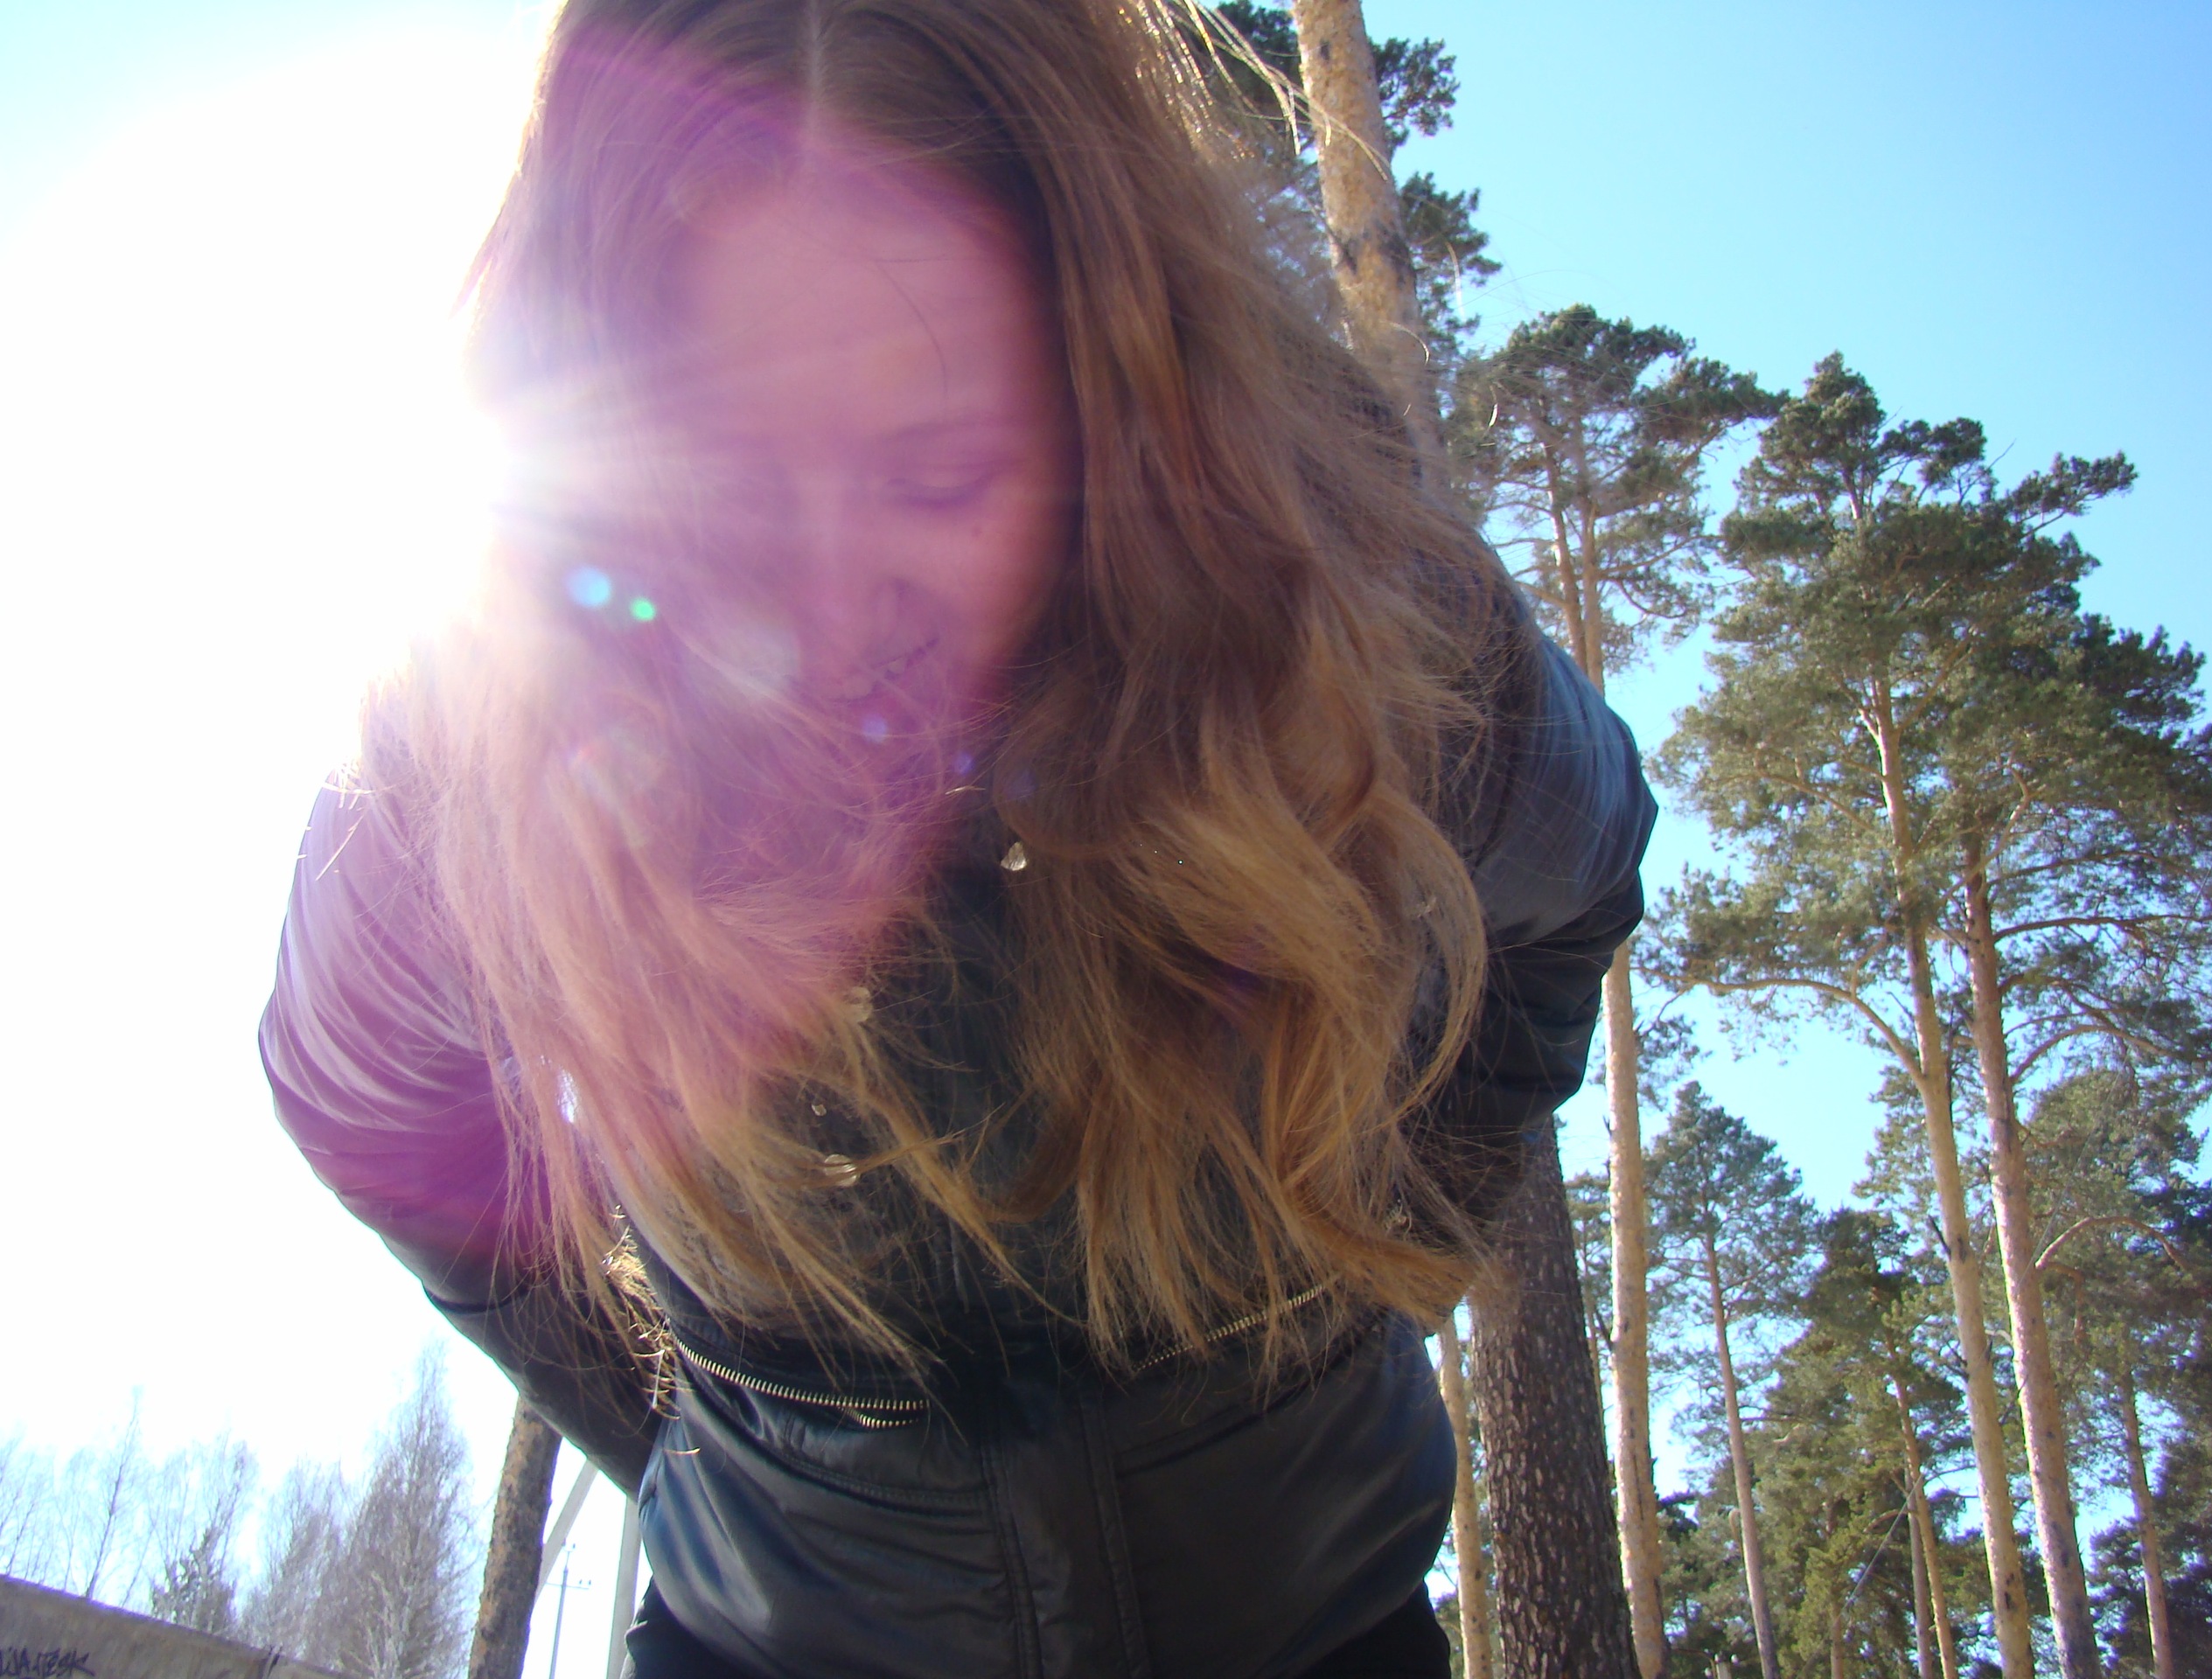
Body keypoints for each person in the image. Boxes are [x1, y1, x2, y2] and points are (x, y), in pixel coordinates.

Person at [260, 1, 1654, 1674]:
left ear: (1118, 411)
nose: (830, 611)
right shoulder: (470, 738)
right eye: (727, 491)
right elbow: (366, 1109)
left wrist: (1398, 1232)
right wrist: (683, 1427)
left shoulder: (1347, 621)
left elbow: (1580, 879)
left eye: (935, 475)